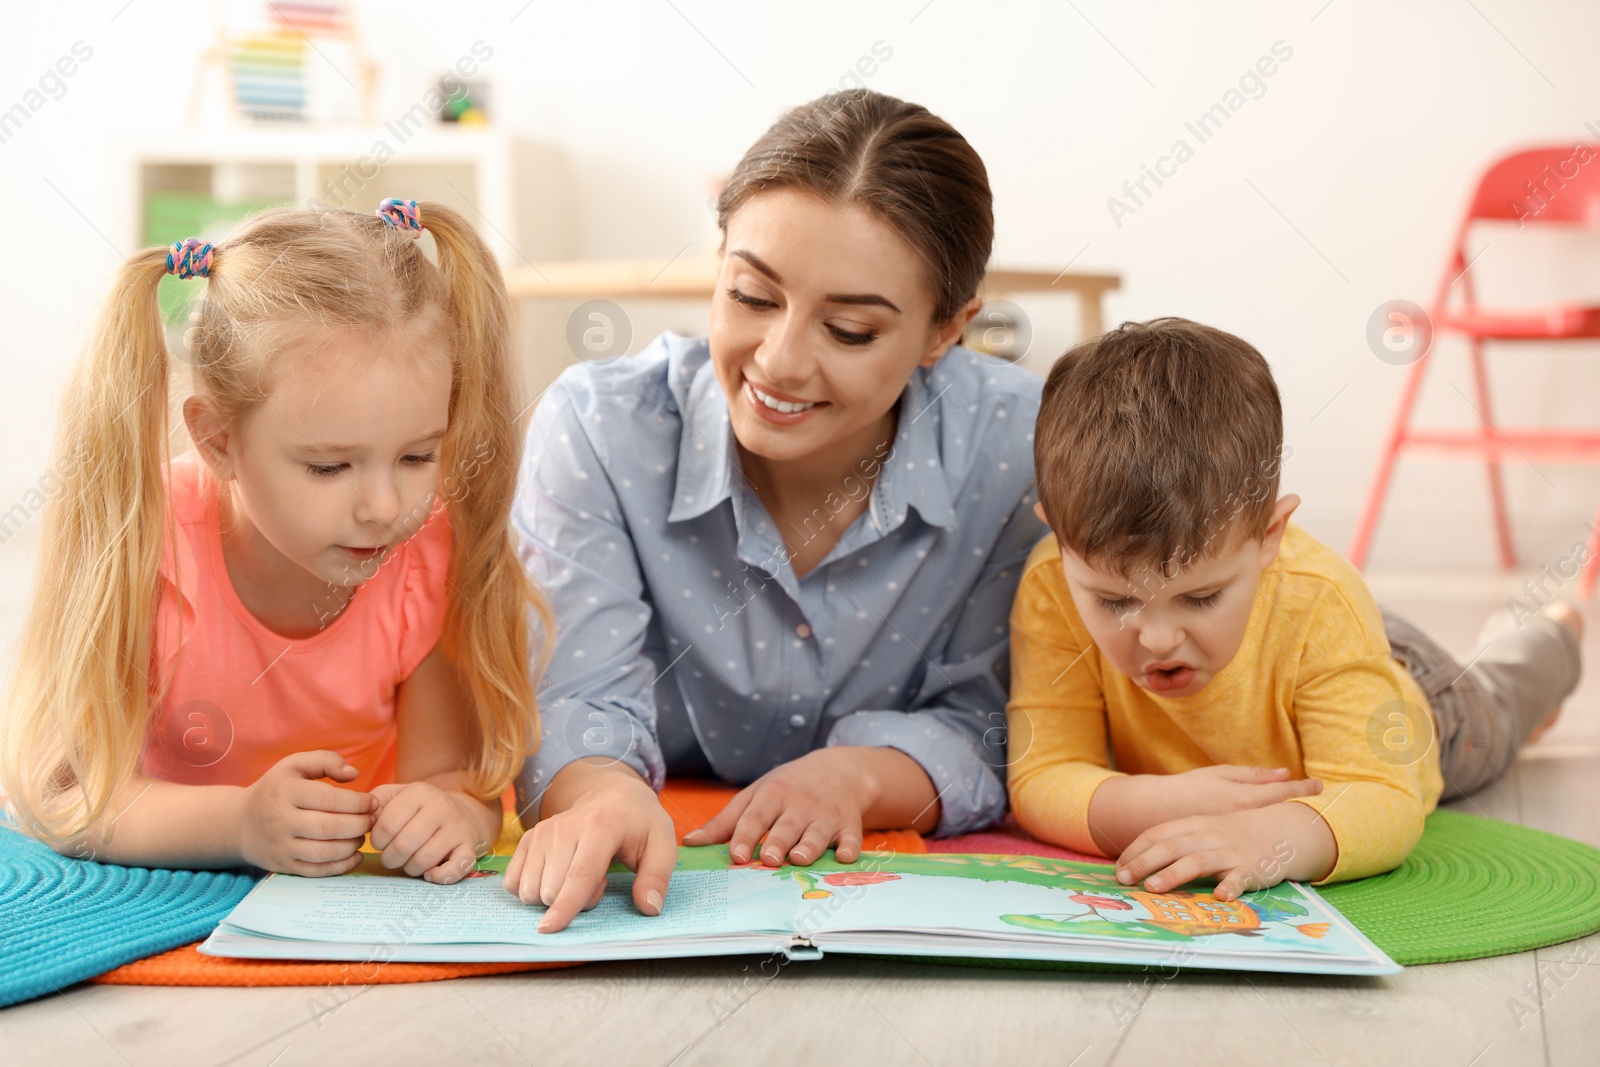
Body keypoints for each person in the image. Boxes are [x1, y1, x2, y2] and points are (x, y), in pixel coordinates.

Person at [503, 89, 1045, 931]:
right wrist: (600, 794)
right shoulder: (600, 427)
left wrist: (857, 778)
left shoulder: (1016, 447)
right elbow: (574, 699)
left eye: (852, 331)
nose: (781, 362)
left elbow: (998, 723)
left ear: (947, 330)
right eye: (752, 296)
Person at [0, 199, 548, 884]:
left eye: (416, 456)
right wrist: (239, 825)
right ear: (218, 440)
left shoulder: (425, 556)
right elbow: (65, 797)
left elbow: (456, 779)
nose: (386, 507)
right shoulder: (145, 544)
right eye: (328, 466)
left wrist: (448, 815)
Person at [1006, 317, 1582, 898]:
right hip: (1317, 642)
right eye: (1114, 600)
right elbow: (1040, 775)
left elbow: (1382, 796)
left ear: (1271, 535)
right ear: (1058, 538)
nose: (1156, 639)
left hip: (1424, 706)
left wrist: (1278, 836)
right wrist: (1164, 801)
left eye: (1201, 597)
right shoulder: (1052, 582)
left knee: (1506, 701)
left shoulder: (1321, 600)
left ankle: (1548, 633)